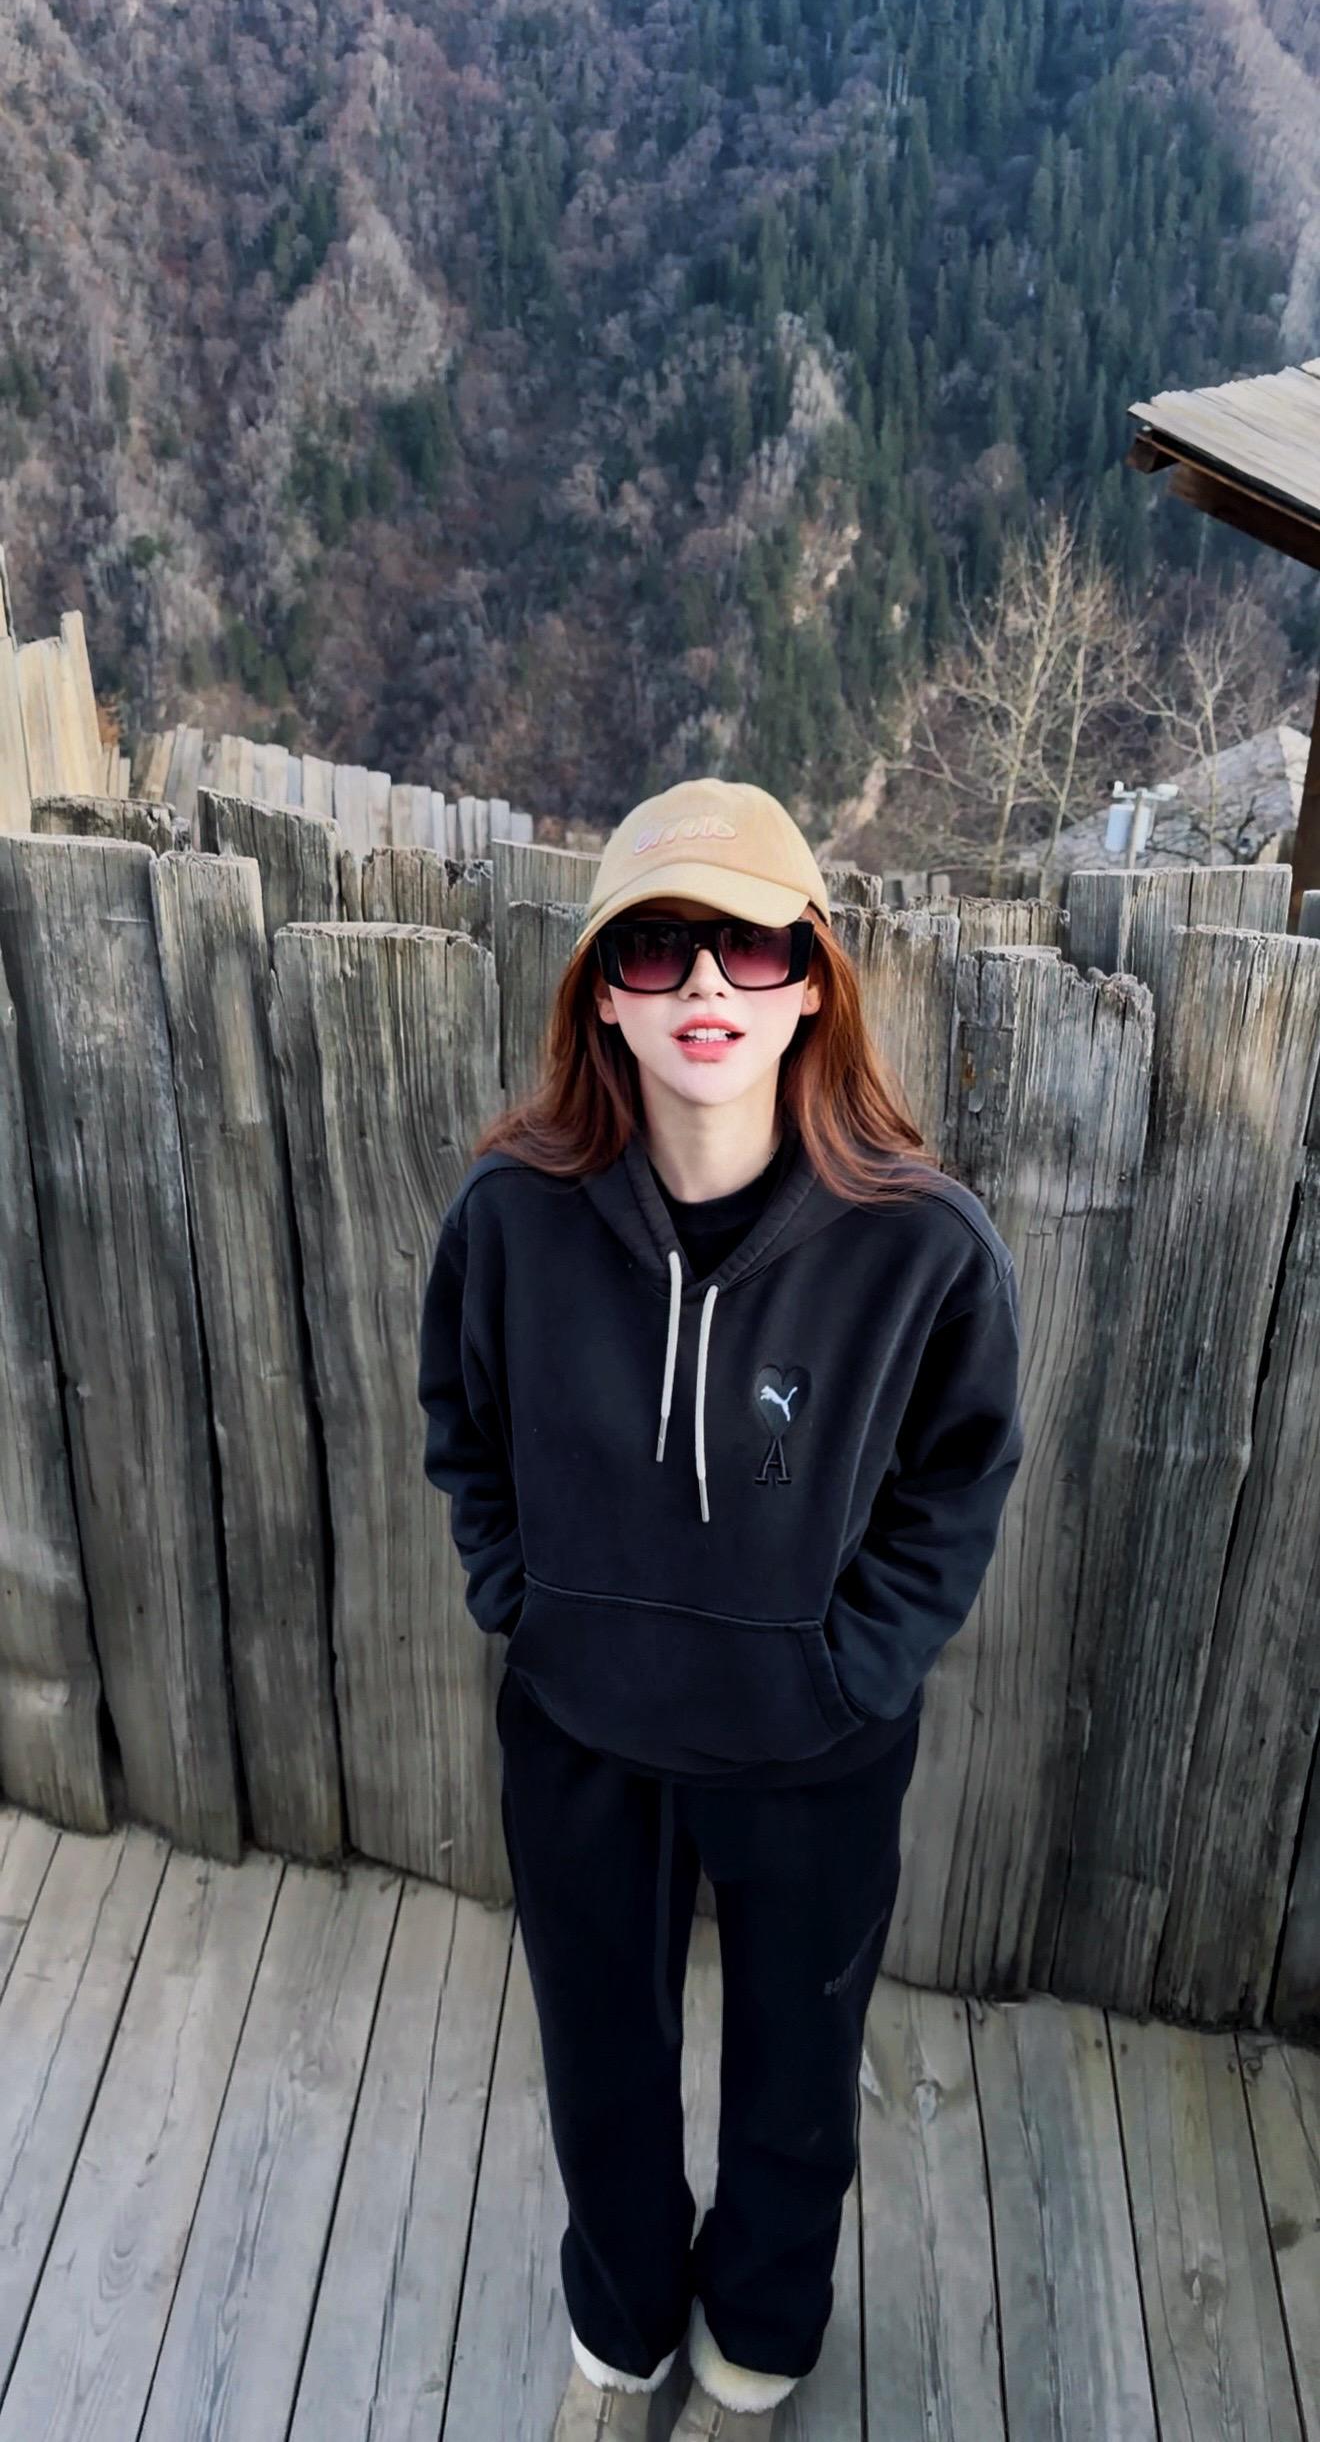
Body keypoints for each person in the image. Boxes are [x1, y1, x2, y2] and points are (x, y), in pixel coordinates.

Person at [418, 778, 1024, 2442]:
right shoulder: (510, 1217)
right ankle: (621, 2343)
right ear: (601, 991)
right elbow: (461, 1421)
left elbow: (960, 1473)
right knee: (599, 2063)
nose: (704, 983)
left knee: (794, 2085)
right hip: (581, 1733)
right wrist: (524, 1604)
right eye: (658, 945)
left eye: (749, 946)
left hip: (813, 1749)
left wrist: (853, 1665)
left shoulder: (922, 1248)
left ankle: (754, 2353)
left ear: (812, 980)